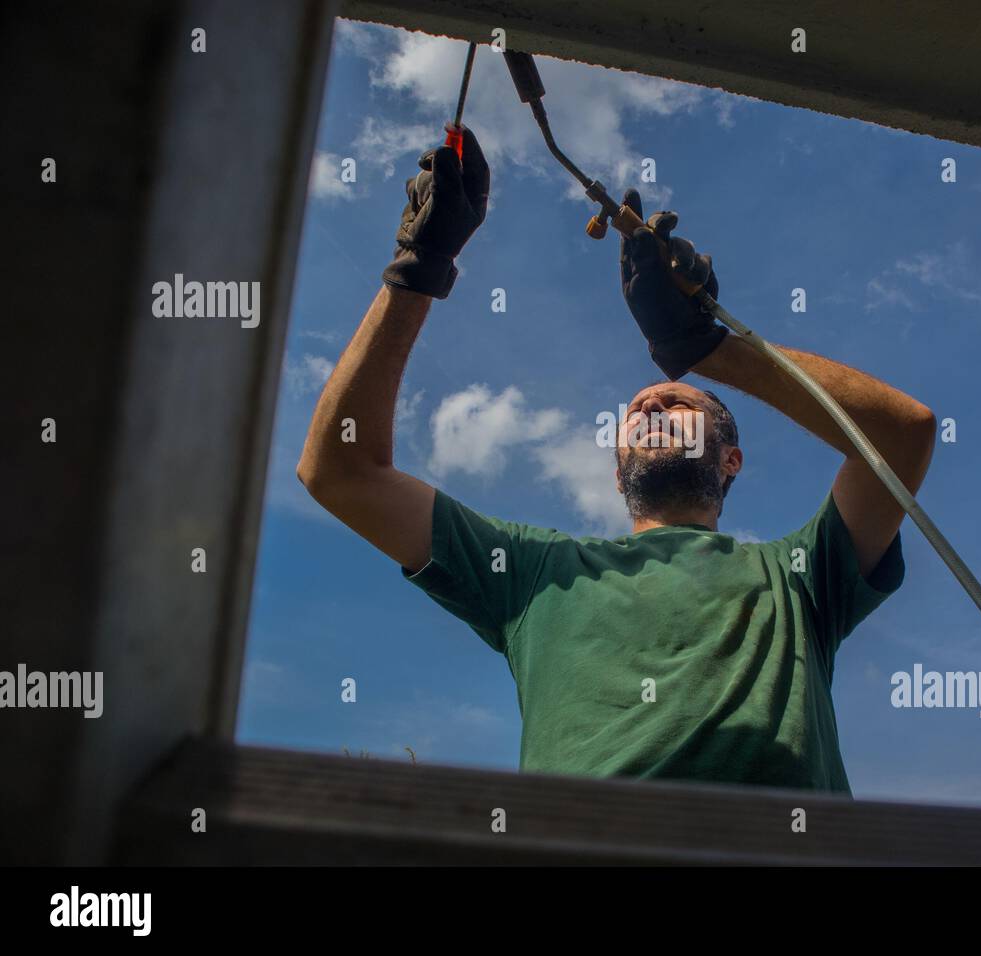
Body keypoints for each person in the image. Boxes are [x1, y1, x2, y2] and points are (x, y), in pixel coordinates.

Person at [298, 126, 936, 794]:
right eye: (637, 411)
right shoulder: (534, 573)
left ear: (732, 460)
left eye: (677, 403)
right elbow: (341, 474)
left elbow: (903, 435)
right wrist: (417, 269)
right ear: (615, 468)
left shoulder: (801, 577)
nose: (651, 410)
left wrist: (705, 348)